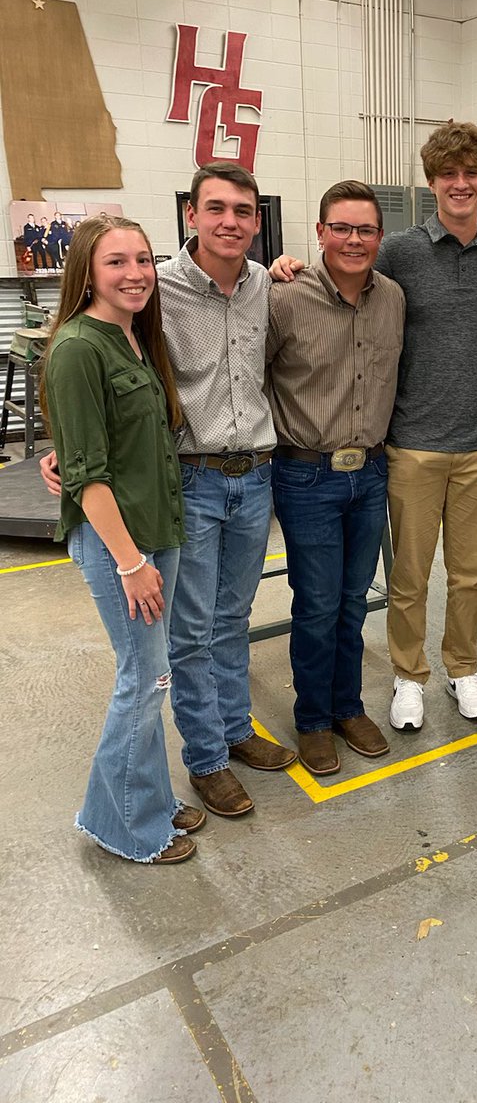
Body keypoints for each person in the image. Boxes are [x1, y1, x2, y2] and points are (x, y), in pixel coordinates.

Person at [42, 162, 296, 819]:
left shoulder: (266, 283)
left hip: (255, 478)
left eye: (243, 211)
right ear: (191, 215)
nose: (230, 221)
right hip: (192, 479)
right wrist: (66, 453)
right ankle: (206, 758)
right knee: (187, 633)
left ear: (257, 220)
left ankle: (237, 731)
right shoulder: (158, 288)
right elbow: (85, 358)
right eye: (216, 209)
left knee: (232, 621)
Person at [39, 216, 203, 863]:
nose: (134, 273)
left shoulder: (135, 336)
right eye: (116, 263)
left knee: (152, 677)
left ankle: (151, 801)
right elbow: (88, 474)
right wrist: (131, 563)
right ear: (87, 273)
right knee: (143, 679)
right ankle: (123, 826)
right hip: (121, 544)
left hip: (155, 531)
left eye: (142, 259)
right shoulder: (79, 348)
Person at [378, 122, 477, 731]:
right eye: (448, 175)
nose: (460, 184)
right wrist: (287, 269)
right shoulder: (400, 251)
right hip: (413, 442)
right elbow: (351, 296)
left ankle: (462, 668)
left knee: (468, 574)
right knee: (410, 577)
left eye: (471, 173)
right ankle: (408, 675)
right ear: (431, 182)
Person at [267, 181, 405, 775]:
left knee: (353, 602)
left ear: (380, 236)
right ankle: (313, 719)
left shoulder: (394, 297)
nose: (354, 240)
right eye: (341, 228)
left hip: (370, 473)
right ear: (320, 232)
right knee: (318, 604)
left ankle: (348, 707)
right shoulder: (282, 297)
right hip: (306, 476)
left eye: (366, 229)